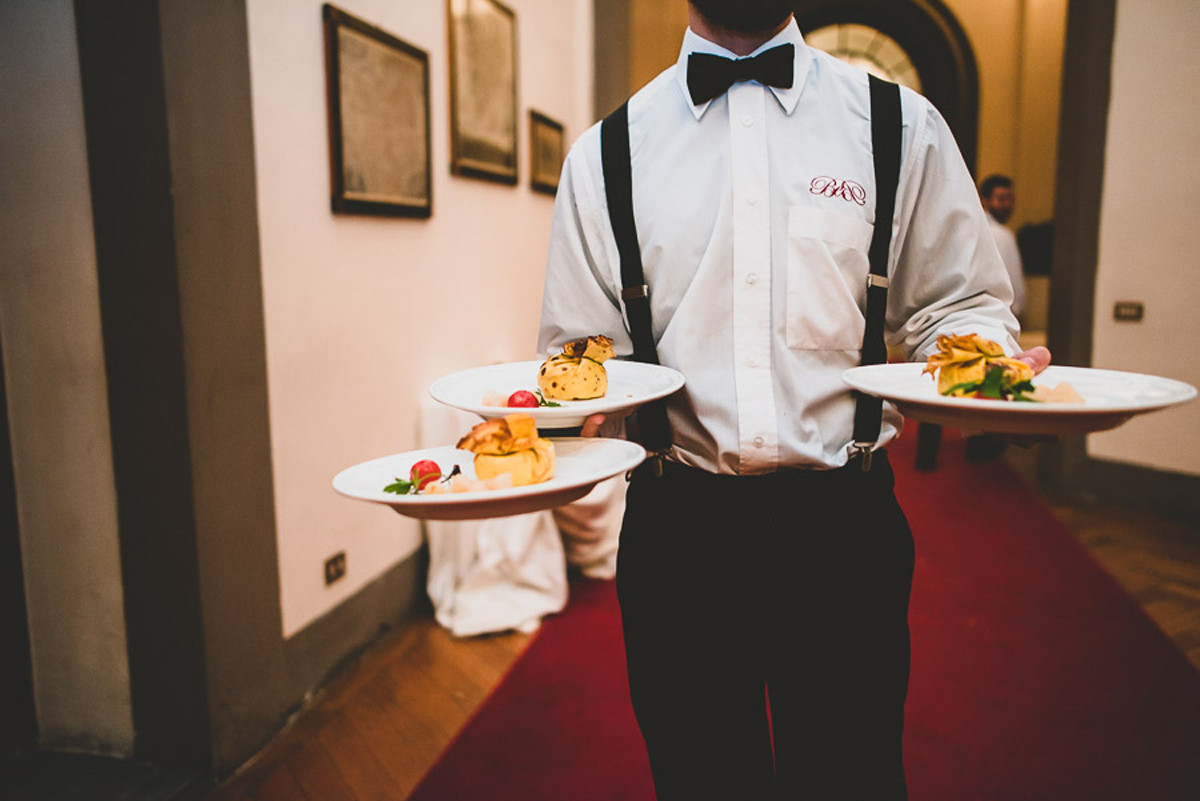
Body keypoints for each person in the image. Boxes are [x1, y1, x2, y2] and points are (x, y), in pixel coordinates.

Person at [537, 2, 1050, 798]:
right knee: (700, 780)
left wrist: (989, 373)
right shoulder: (604, 154)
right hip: (679, 537)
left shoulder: (899, 125)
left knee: (853, 777)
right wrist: (555, 427)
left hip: (844, 532)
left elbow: (958, 304)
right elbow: (578, 355)